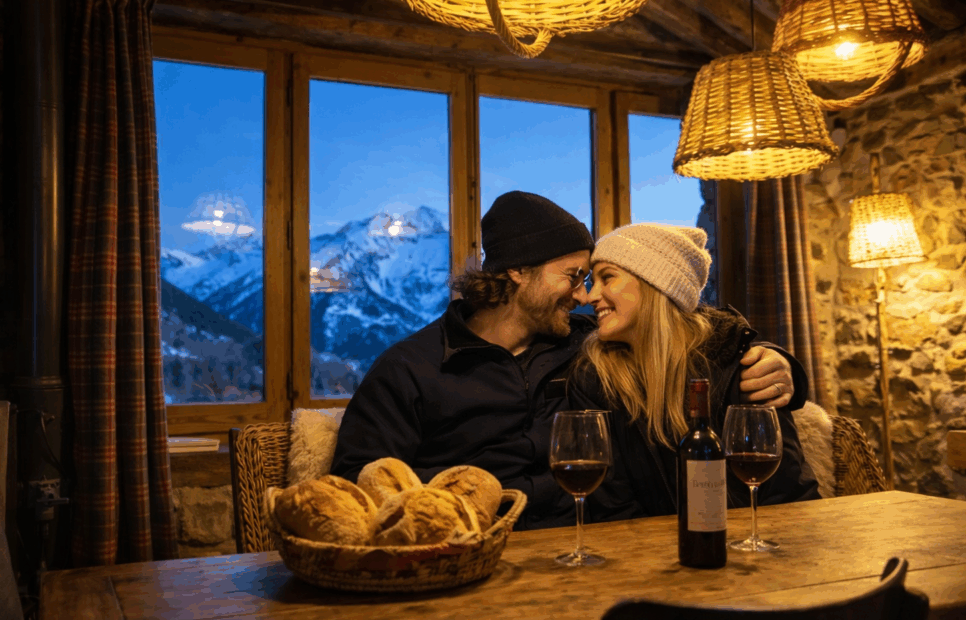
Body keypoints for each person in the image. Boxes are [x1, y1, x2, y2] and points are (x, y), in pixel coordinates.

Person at [330, 191, 806, 529]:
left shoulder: (591, 346)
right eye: (575, 276)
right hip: (470, 549)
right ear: (517, 271)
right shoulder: (412, 367)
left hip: (584, 543)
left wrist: (776, 362)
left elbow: (682, 327)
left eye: (594, 278)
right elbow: (359, 482)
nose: (584, 296)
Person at [569, 223, 821, 524]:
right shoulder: (595, 377)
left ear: (655, 284)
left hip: (750, 550)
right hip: (648, 556)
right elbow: (613, 509)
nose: (590, 295)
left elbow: (789, 494)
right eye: (590, 281)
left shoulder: (741, 363)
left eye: (607, 277)